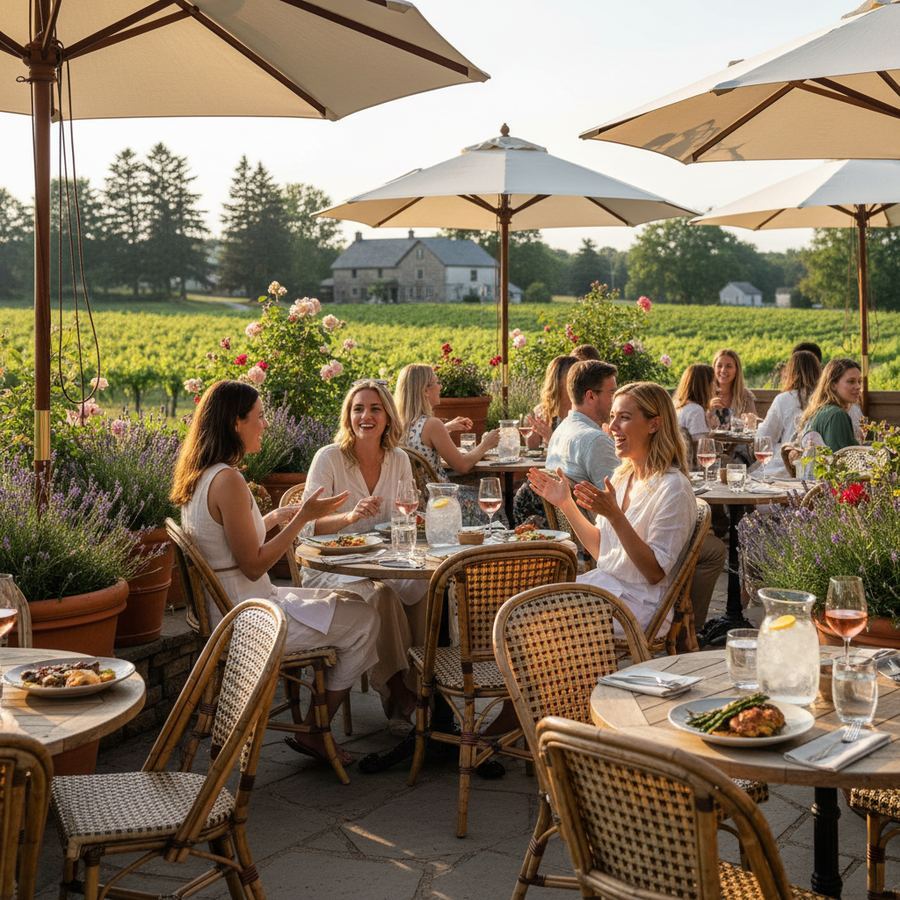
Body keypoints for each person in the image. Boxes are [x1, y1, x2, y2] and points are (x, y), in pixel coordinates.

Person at [172, 380, 381, 765]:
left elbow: (225, 543)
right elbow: (253, 563)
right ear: (237, 423)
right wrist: (302, 517)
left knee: (353, 601)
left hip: (230, 607)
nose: (265, 424)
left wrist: (269, 519)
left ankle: (314, 725)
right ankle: (319, 730)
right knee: (366, 619)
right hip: (249, 618)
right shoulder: (229, 480)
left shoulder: (202, 475)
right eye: (260, 416)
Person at [301, 379, 427, 730]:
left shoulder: (398, 458)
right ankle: (398, 690)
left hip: (383, 562)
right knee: (381, 595)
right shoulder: (329, 458)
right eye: (358, 409)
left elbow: (404, 514)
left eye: (374, 409)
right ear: (348, 416)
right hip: (332, 567)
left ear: (388, 416)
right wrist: (350, 516)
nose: (366, 416)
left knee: (429, 588)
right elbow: (305, 526)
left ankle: (424, 684)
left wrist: (417, 518)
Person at [528, 382, 696, 633]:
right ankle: (580, 673)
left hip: (639, 606)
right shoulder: (621, 477)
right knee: (526, 606)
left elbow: (654, 573)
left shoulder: (673, 488)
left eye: (625, 418)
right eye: (613, 417)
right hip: (606, 589)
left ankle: (581, 672)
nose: (613, 427)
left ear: (654, 424)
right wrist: (566, 504)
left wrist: (616, 516)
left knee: (537, 623)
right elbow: (602, 551)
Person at [394, 364, 499, 524]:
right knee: (493, 500)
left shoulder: (396, 425)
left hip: (416, 503)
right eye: (436, 382)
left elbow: (419, 442)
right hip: (441, 502)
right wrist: (486, 443)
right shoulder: (432, 425)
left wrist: (446, 427)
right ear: (425, 391)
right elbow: (462, 466)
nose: (440, 386)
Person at [756, 350, 821, 475]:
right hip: (818, 466)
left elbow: (764, 437)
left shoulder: (784, 399)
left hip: (788, 465)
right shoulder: (824, 398)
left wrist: (759, 425)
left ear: (790, 372)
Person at [798, 358, 863, 453]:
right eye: (851, 381)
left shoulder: (819, 411)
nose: (858, 386)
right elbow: (843, 462)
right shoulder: (837, 415)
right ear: (833, 385)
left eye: (859, 381)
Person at [524, 354, 578, 449]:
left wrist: (551, 437)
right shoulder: (541, 411)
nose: (580, 381)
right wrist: (532, 433)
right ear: (558, 380)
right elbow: (533, 449)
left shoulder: (582, 410)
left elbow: (577, 451)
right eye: (574, 376)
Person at [673, 364, 714, 465]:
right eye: (714, 383)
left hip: (677, 463)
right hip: (692, 467)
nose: (716, 387)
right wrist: (712, 431)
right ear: (705, 386)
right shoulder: (696, 410)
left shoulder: (676, 406)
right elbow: (702, 447)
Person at [707, 348, 757, 429]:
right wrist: (708, 410)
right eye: (719, 366)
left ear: (736, 370)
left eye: (729, 366)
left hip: (738, 441)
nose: (723, 370)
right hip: (711, 441)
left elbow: (753, 425)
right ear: (713, 369)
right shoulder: (705, 393)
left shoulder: (745, 396)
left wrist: (749, 421)